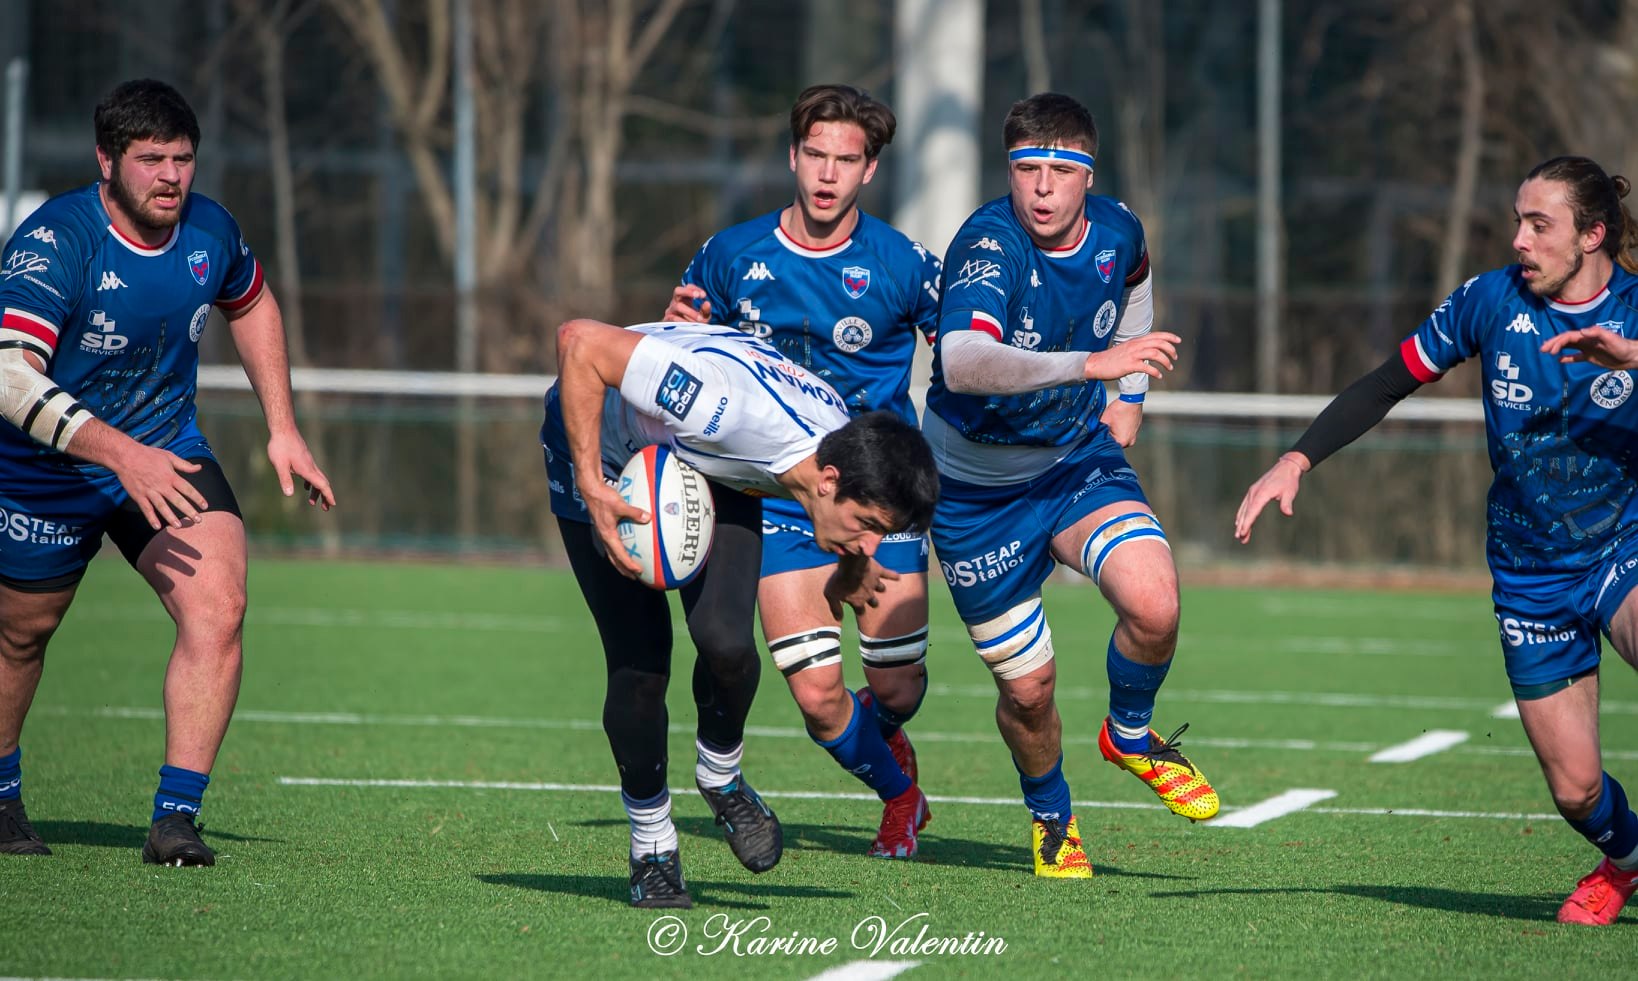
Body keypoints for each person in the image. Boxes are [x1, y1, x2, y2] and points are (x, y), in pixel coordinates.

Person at [1236, 156, 1638, 926]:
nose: (1519, 239)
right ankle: (1627, 858)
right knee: (1576, 790)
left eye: (1539, 224)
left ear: (1592, 235)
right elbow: (1388, 381)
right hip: (1528, 571)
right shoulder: (1491, 300)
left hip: (1624, 542)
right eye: (1518, 221)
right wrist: (1296, 459)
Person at [0, 79, 334, 866]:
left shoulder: (211, 230)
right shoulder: (55, 241)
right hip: (46, 467)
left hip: (165, 446)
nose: (171, 177)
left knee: (219, 605)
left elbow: (251, 303)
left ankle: (175, 818)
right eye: (151, 160)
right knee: (21, 634)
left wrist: (282, 427)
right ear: (106, 161)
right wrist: (121, 454)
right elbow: (10, 375)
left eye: (182, 159)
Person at [541, 317, 939, 909]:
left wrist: (853, 565)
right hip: (600, 451)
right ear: (828, 482)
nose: (871, 544)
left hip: (707, 461)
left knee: (727, 643)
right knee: (640, 664)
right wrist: (591, 485)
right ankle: (653, 846)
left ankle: (721, 777)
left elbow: (847, 510)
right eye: (867, 527)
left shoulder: (835, 449)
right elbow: (579, 341)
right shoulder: (723, 408)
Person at [923, 92, 1219, 879]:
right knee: (1030, 692)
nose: (1042, 188)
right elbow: (962, 362)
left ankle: (1130, 735)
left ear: (1090, 173)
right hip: (975, 493)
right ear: (1009, 171)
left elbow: (1136, 285)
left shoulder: (1119, 229)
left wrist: (1130, 396)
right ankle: (1053, 816)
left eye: (1060, 170)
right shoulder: (988, 245)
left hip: (1072, 458)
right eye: (1026, 169)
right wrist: (1094, 366)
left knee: (1155, 603)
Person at [662, 83, 944, 859]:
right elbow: (681, 347)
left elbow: (966, 354)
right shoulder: (731, 255)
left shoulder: (904, 263)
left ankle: (885, 729)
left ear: (869, 169)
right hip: (781, 497)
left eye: (844, 160)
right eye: (814, 154)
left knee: (897, 686)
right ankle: (900, 794)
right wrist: (679, 328)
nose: (826, 173)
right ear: (793, 156)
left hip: (879, 501)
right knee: (820, 699)